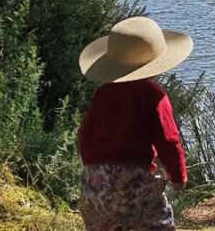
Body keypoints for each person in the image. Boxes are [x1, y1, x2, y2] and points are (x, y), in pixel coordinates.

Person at [76, 16, 193, 231]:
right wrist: (178, 176)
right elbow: (168, 139)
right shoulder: (154, 95)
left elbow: (84, 135)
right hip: (132, 181)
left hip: (94, 183)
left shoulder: (103, 93)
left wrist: (94, 169)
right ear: (158, 63)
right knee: (156, 225)